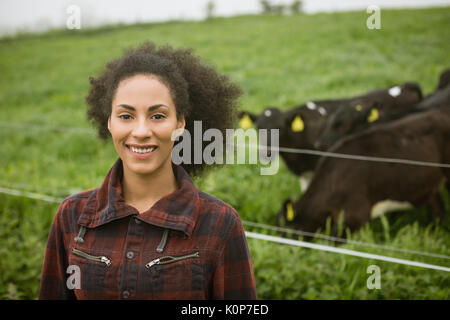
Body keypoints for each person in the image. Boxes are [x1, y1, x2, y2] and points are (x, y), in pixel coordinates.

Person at [38, 42, 257, 300]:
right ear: (108, 121)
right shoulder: (71, 216)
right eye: (126, 116)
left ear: (180, 123)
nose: (141, 131)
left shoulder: (220, 223)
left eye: (157, 116)